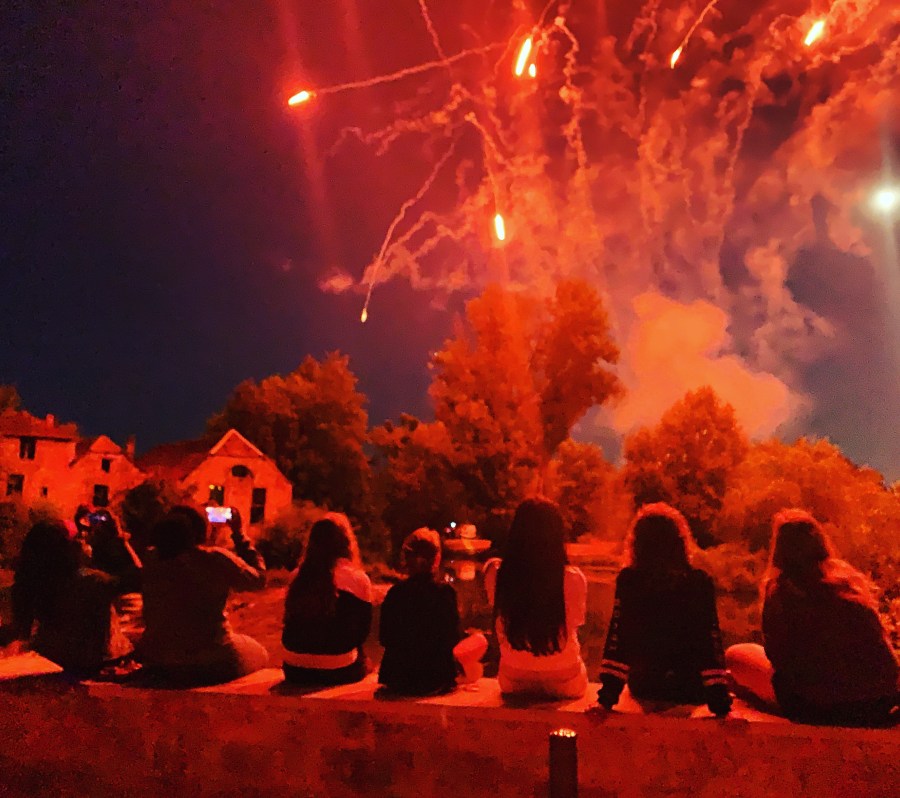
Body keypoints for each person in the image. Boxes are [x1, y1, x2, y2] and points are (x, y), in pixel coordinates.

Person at [726, 509, 898, 727]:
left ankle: (750, 702)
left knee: (737, 654)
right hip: (879, 704)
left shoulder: (781, 590)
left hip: (820, 709)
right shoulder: (849, 582)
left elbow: (776, 655)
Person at [596, 503, 732, 717]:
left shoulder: (630, 581)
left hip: (647, 685)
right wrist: (722, 707)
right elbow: (709, 645)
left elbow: (619, 640)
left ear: (637, 544)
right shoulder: (699, 582)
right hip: (691, 689)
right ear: (680, 542)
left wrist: (605, 701)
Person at [138, 506, 268, 686]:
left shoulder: (151, 558)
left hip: (161, 659)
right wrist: (239, 534)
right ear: (199, 531)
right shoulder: (215, 558)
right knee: (259, 653)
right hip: (211, 658)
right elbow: (258, 580)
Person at [484, 497, 588, 700]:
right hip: (565, 680)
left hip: (513, 679)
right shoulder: (572, 578)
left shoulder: (496, 574)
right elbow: (576, 622)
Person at [0, 519, 135, 675]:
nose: (84, 540)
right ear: (67, 548)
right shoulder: (94, 582)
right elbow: (141, 577)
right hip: (96, 662)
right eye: (78, 537)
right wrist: (121, 540)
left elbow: (19, 630)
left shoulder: (32, 584)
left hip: (55, 655)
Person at [379, 528, 487, 695]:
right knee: (479, 642)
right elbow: (452, 637)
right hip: (435, 679)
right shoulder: (444, 593)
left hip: (397, 678)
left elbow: (384, 637)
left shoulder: (395, 594)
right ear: (436, 559)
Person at [282, 513, 373, 686]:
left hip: (295, 669)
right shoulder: (358, 579)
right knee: (366, 662)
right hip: (339, 669)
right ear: (346, 543)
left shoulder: (296, 577)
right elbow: (362, 633)